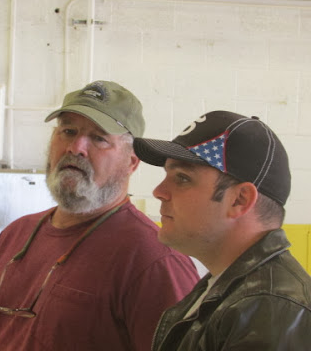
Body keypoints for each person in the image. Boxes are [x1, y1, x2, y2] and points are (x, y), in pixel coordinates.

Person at [0, 80, 199, 351]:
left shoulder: (154, 260)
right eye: (68, 131)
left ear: (131, 163)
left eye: (98, 138)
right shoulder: (15, 234)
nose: (76, 147)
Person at [133, 110, 311, 351]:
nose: (159, 192)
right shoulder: (231, 291)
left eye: (182, 178)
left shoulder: (270, 310)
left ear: (239, 200)